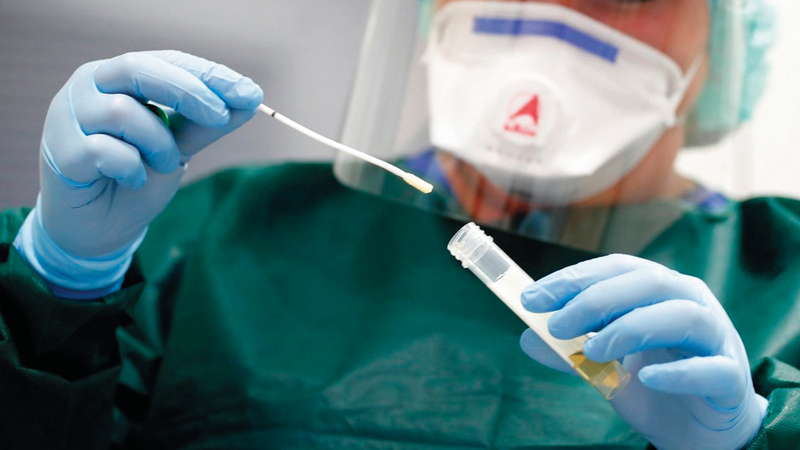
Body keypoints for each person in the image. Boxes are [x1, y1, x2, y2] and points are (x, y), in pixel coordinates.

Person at [0, 0, 797, 448]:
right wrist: (59, 282)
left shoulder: (784, 283)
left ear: (725, 47)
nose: (547, 16)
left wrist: (753, 440)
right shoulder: (224, 235)